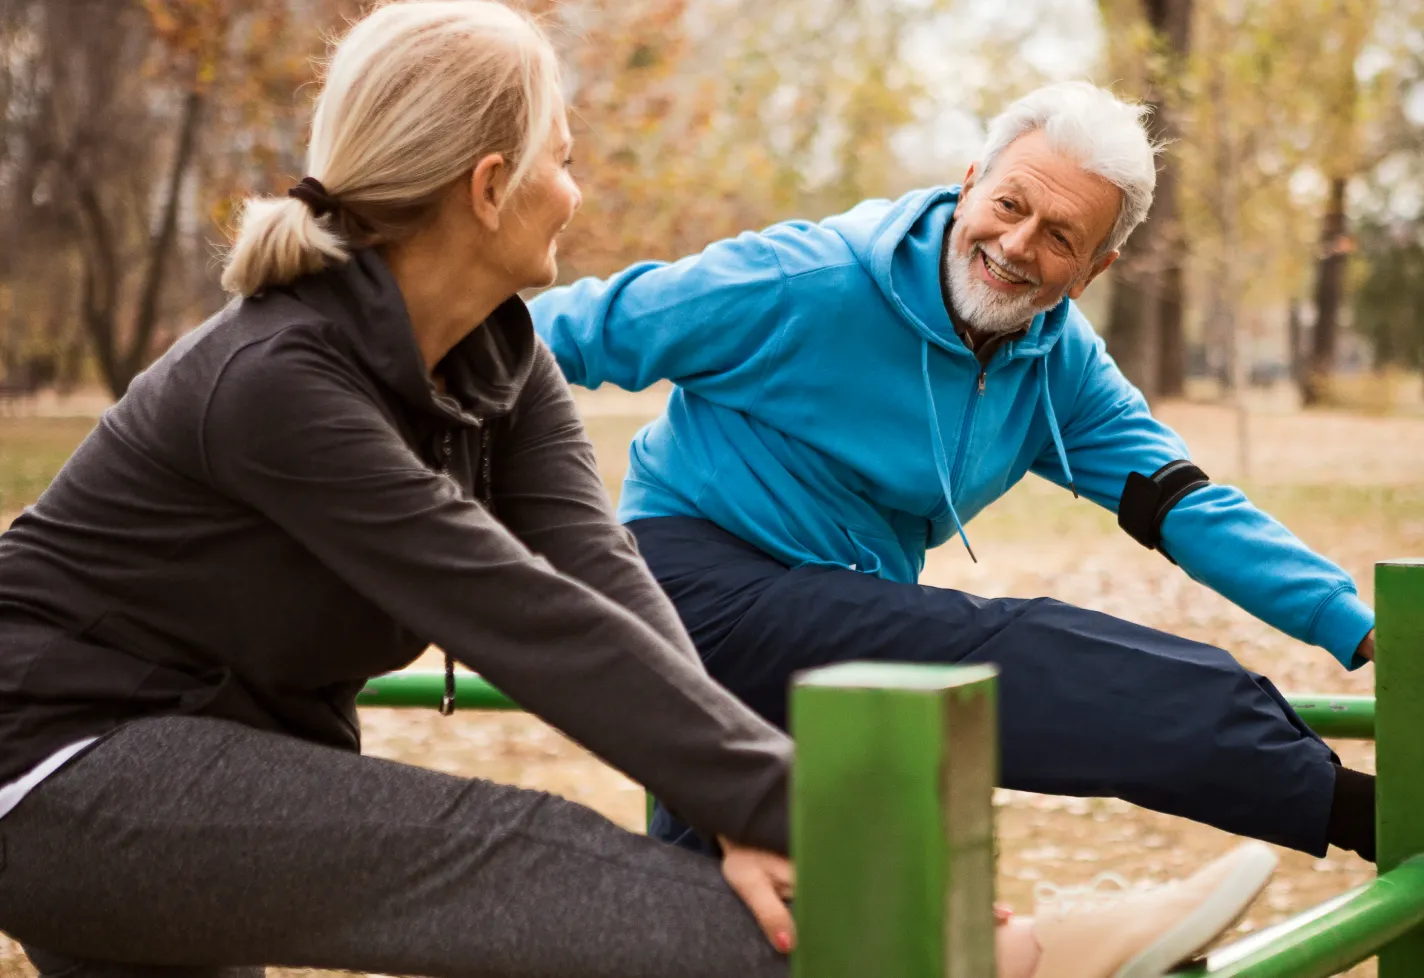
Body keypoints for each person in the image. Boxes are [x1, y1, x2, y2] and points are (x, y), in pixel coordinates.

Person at [0, 4, 1286, 977]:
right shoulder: (278, 383)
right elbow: (519, 616)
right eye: (562, 156)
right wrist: (820, 835)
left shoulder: (499, 361)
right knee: (499, 848)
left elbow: (604, 584)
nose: (580, 186)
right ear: (489, 185)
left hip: (225, 757)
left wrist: (730, 809)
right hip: (60, 765)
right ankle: (986, 953)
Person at [529, 81, 1379, 865]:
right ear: (971, 183)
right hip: (694, 593)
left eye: (1059, 238)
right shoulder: (806, 280)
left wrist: (1359, 628)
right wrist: (406, 398)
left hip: (841, 620)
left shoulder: (1059, 367)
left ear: (1094, 269)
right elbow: (573, 328)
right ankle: (1354, 811)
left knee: (740, 903)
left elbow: (1184, 504)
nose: (1015, 245)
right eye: (1009, 205)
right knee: (1019, 655)